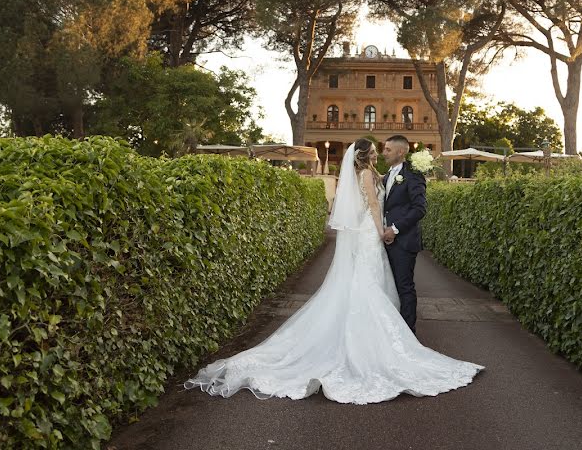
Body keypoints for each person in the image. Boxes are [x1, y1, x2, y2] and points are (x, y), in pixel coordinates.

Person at [184, 138, 483, 404]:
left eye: (386, 149)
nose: (382, 153)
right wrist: (381, 231)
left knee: (380, 284)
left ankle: (400, 339)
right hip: (372, 233)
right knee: (367, 286)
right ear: (366, 155)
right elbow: (375, 207)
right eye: (378, 151)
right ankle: (384, 346)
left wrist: (387, 227)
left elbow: (395, 200)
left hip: (376, 235)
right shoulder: (368, 174)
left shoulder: (378, 173)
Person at [380, 134, 424, 333]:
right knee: (388, 287)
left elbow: (419, 208)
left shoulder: (413, 175)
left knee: (404, 287)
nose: (384, 153)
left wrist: (395, 229)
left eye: (388, 149)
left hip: (404, 242)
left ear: (401, 151)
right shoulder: (388, 175)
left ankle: (408, 333)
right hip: (383, 242)